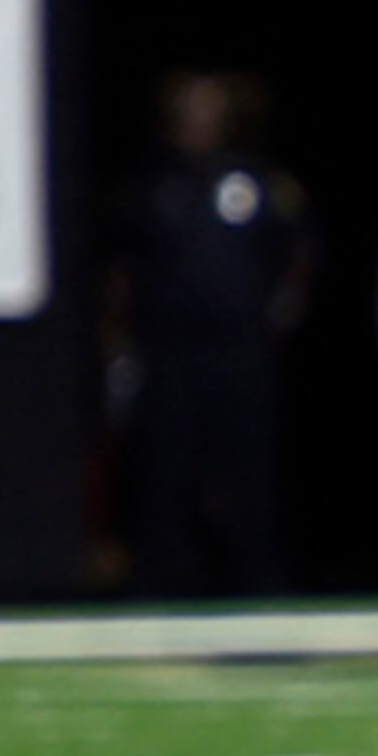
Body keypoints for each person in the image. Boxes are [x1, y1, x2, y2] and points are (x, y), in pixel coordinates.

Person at [112, 73, 309, 598]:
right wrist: (122, 344)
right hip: (171, 350)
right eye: (189, 107)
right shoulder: (152, 184)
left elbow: (295, 255)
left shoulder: (255, 180)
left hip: (241, 349)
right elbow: (123, 269)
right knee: (168, 466)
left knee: (249, 466)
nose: (200, 117)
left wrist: (277, 316)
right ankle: (162, 582)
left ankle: (258, 580)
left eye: (209, 107)